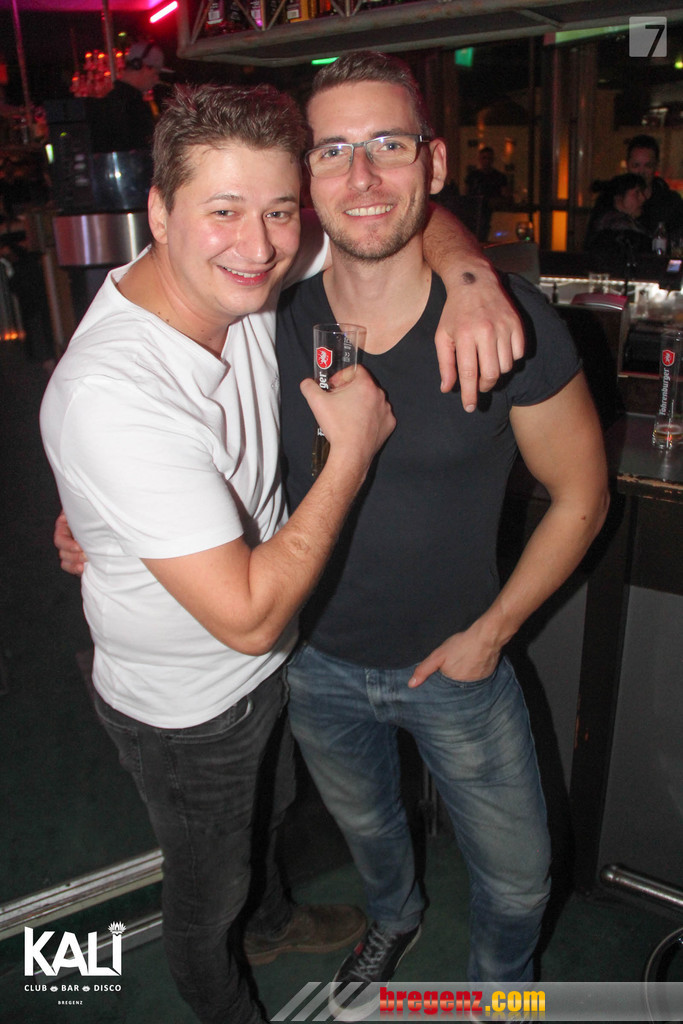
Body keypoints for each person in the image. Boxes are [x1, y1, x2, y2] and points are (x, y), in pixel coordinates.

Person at [44, 80, 523, 1024]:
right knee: (205, 891)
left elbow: (386, 218)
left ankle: (270, 921)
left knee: (263, 819)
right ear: (158, 212)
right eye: (223, 211)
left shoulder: (233, 273)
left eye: (277, 210)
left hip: (266, 672)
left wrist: (472, 278)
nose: (260, 246)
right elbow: (250, 616)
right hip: (187, 707)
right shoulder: (116, 395)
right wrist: (351, 453)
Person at [275, 51, 609, 1020]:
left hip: (458, 663)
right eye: (332, 150)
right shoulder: (272, 311)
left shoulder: (508, 325)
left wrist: (492, 632)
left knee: (517, 878)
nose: (360, 175)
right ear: (305, 177)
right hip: (313, 660)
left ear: (433, 162)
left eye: (387, 144)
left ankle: (501, 998)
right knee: (369, 829)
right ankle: (394, 917)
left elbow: (581, 496)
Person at [90, 41, 170, 153]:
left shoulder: (110, 101)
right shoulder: (134, 106)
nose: (156, 79)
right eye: (155, 73)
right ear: (141, 66)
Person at [625, 134, 683, 239]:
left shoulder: (671, 203)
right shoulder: (612, 201)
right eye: (636, 165)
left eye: (648, 166)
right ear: (627, 165)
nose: (641, 172)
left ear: (656, 166)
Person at [584, 173, 651, 260]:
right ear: (618, 197)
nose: (643, 198)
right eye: (636, 193)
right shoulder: (618, 230)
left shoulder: (604, 222)